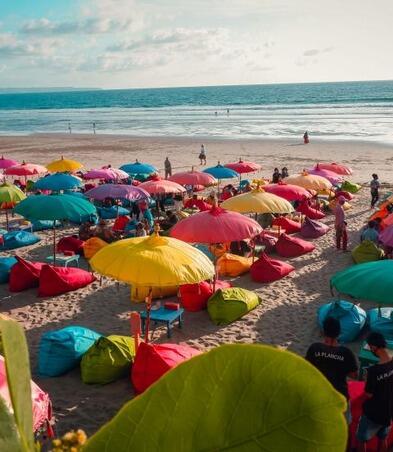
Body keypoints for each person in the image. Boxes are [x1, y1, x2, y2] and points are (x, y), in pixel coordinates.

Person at [306, 317, 358, 425]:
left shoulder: (314, 348)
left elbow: (307, 368)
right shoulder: (346, 353)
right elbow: (354, 375)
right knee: (342, 425)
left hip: (319, 395)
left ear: (324, 332)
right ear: (339, 333)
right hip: (339, 395)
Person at [356, 332, 393, 451]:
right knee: (383, 438)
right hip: (389, 410)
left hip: (374, 413)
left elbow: (368, 394)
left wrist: (367, 380)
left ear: (373, 347)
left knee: (361, 439)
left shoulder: (374, 371)